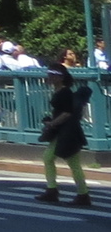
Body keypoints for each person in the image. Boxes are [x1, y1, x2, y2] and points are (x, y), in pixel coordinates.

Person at [37, 63, 93, 206]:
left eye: (52, 75)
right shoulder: (59, 91)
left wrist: (52, 123)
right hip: (62, 130)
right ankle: (53, 190)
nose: (49, 77)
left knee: (72, 163)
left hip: (67, 131)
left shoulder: (65, 92)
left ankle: (82, 194)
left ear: (60, 77)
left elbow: (67, 113)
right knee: (49, 158)